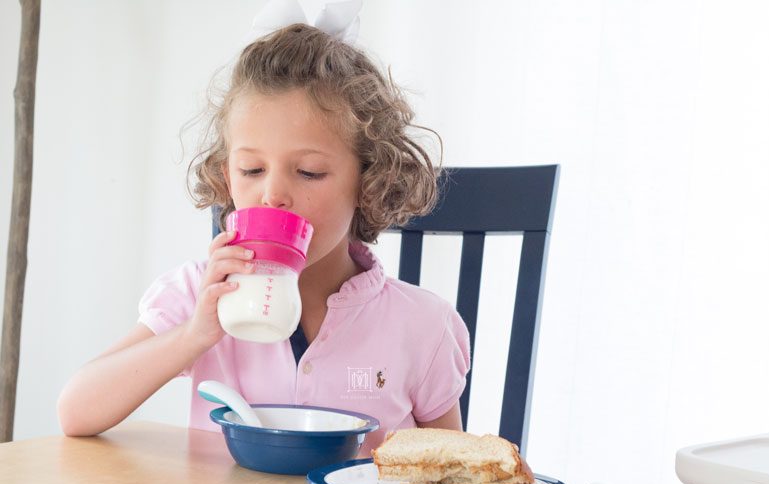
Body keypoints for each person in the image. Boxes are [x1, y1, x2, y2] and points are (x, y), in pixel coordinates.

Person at [57, 2, 470, 455]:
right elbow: (76, 411)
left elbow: (452, 477)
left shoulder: (420, 326)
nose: (273, 194)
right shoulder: (199, 295)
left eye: (309, 172)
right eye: (252, 169)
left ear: (370, 181)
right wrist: (194, 335)